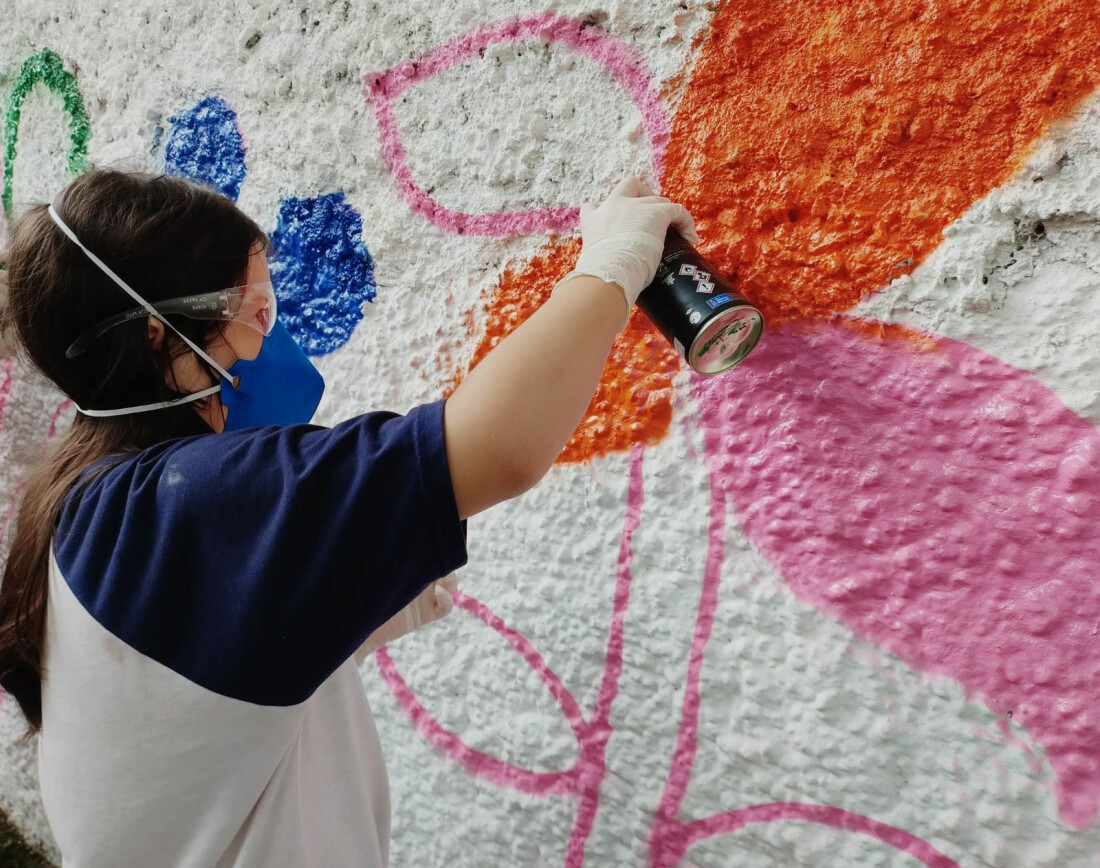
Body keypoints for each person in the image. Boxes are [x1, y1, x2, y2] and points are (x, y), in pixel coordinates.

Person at [0, 168, 696, 866]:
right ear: (159, 341)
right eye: (254, 311)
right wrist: (612, 262)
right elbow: (500, 448)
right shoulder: (181, 506)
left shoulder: (83, 500)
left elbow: (169, 724)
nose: (268, 337)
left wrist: (328, 631)